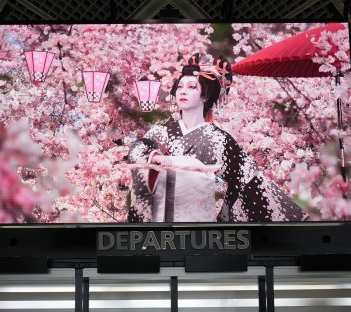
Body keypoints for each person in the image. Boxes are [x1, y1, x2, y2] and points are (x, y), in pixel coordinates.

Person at [128, 53, 307, 223]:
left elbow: (249, 179)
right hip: (160, 216)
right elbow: (137, 151)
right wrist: (161, 159)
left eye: (191, 87)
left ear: (205, 95)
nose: (183, 92)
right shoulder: (160, 131)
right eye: (180, 87)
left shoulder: (220, 140)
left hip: (199, 219)